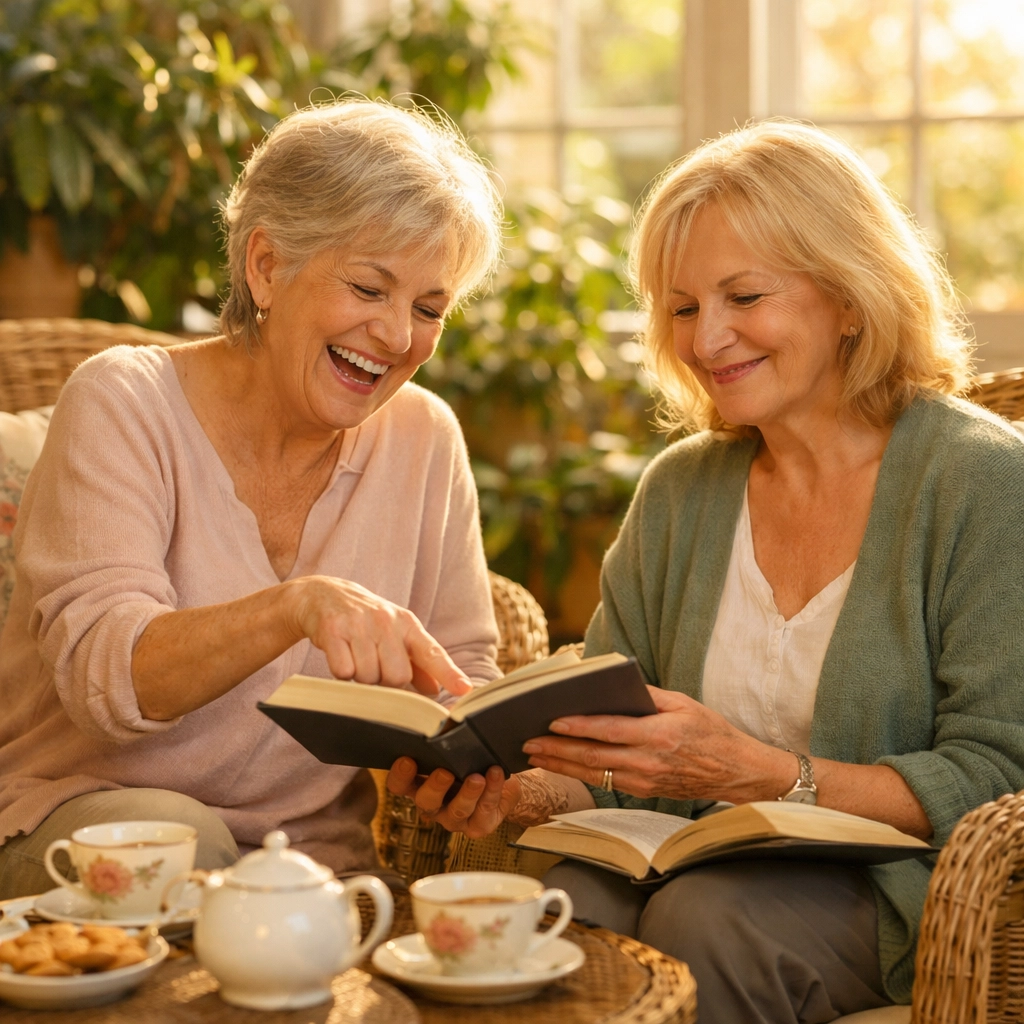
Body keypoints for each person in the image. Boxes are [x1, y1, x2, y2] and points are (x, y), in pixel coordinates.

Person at [390, 120, 1024, 1022]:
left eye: (744, 296)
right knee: (566, 906)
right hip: (679, 860)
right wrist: (513, 788)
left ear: (850, 295)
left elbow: (999, 769)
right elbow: (609, 741)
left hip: (901, 887)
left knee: (710, 921)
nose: (707, 338)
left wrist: (762, 774)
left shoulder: (985, 484)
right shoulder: (681, 490)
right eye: (683, 307)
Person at [0, 99, 506, 898]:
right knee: (185, 848)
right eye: (370, 288)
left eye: (429, 308)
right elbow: (108, 682)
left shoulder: (424, 439)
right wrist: (293, 608)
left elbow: (463, 666)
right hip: (78, 831)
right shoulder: (122, 403)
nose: (398, 336)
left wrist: (463, 762)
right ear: (266, 266)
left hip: (309, 871)